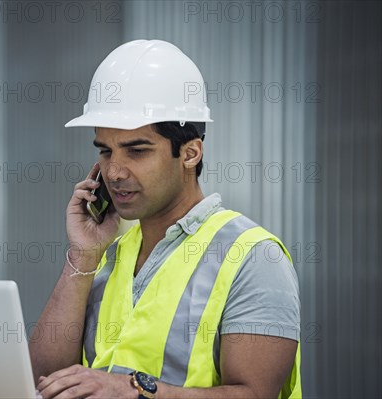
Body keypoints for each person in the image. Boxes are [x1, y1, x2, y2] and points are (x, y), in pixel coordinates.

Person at [29, 40, 301, 399]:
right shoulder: (108, 254)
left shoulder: (253, 257)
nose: (113, 171)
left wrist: (135, 390)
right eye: (105, 151)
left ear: (190, 153)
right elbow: (42, 379)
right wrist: (83, 255)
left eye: (137, 151)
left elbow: (254, 395)